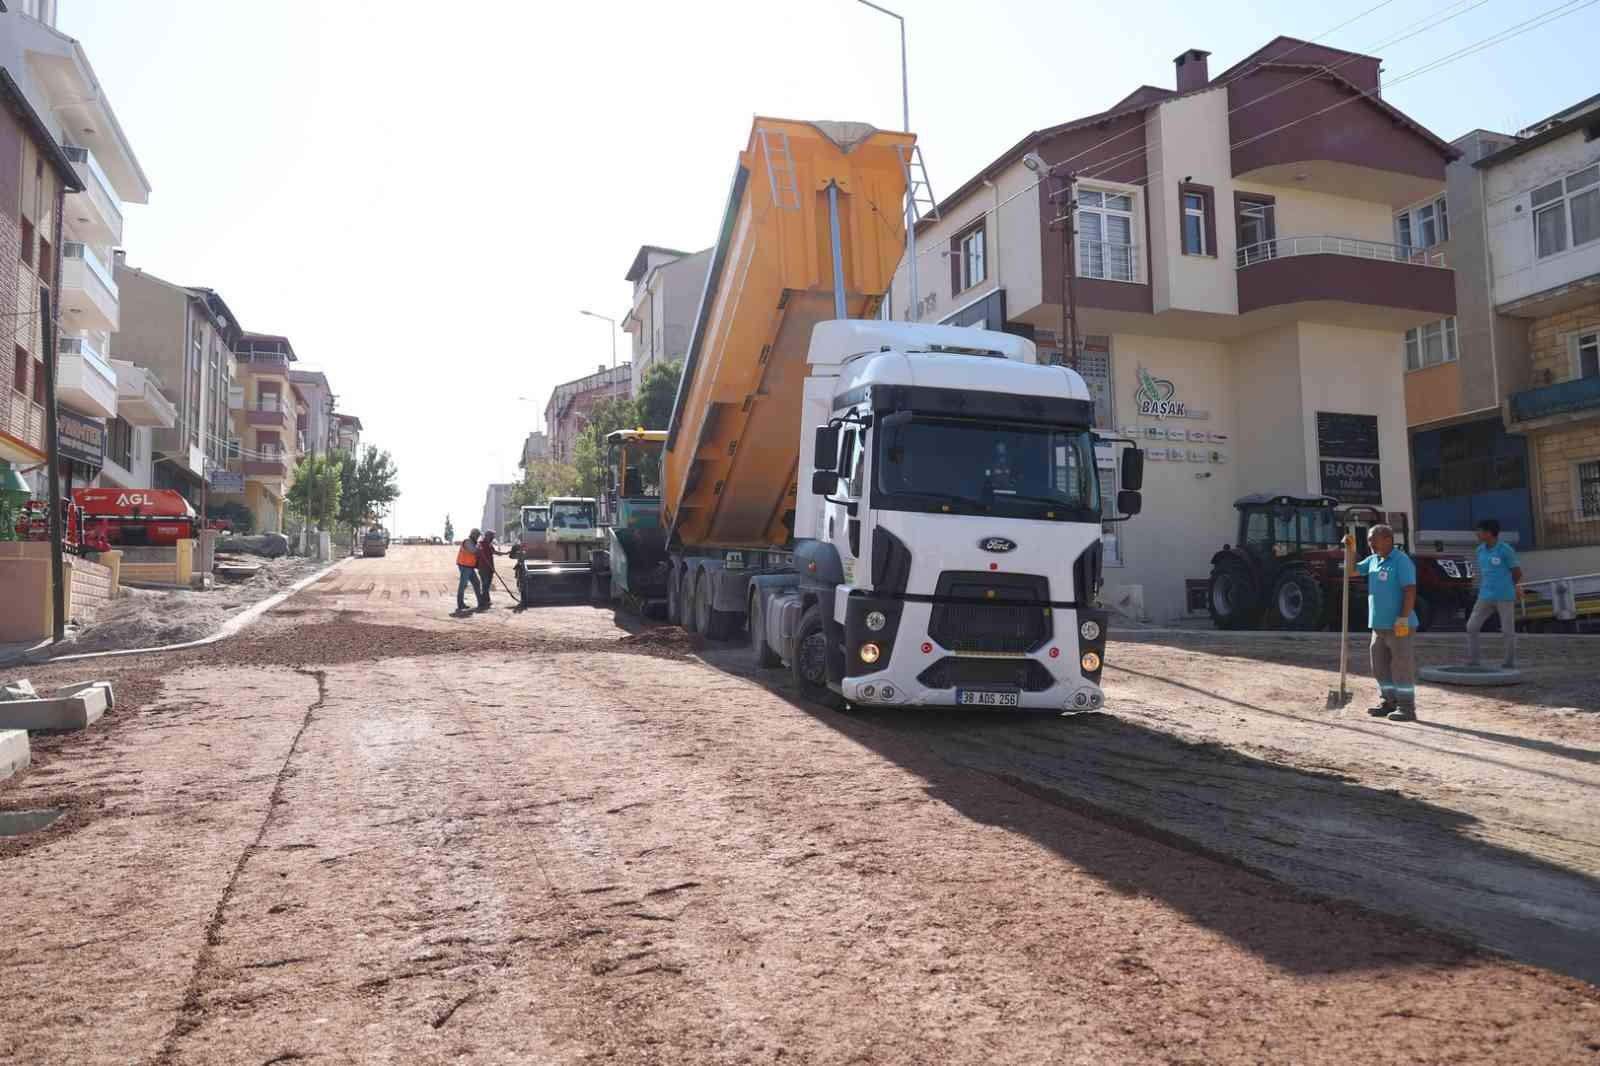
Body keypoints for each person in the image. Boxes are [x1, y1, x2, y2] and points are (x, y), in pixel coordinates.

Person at [1346, 523, 1420, 722]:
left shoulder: (1400, 561)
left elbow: (1410, 590)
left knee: (1401, 666)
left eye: (1373, 539)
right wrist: (1350, 550)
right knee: (1379, 666)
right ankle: (1389, 701)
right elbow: (1351, 571)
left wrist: (1403, 618)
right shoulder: (1373, 560)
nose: (1370, 543)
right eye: (1369, 539)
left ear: (1388, 539)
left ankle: (1406, 707)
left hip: (1400, 624)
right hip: (1378, 626)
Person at [1467, 518, 1522, 669]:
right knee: (1471, 626)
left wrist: (1511, 586)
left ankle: (1509, 662)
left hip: (1504, 595)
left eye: (1480, 530)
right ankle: (1474, 660)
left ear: (1489, 532)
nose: (1477, 533)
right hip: (1485, 595)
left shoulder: (1505, 550)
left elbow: (1516, 572)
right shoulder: (1479, 550)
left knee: (1507, 630)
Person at [475, 529, 505, 610]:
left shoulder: (489, 544)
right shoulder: (480, 544)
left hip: (490, 568)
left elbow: (494, 552)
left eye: (493, 536)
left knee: (487, 585)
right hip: (483, 568)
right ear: (487, 536)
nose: (492, 538)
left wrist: (505, 553)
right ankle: (483, 601)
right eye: (491, 536)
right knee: (485, 585)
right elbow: (478, 553)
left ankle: (486, 600)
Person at [455, 530, 482, 614]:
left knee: (476, 583)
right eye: (477, 535)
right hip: (464, 566)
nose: (478, 537)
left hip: (469, 566)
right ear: (473, 534)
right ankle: (460, 604)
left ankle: (480, 602)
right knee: (463, 584)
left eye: (478, 535)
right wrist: (479, 548)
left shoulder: (474, 542)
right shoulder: (467, 542)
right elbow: (473, 551)